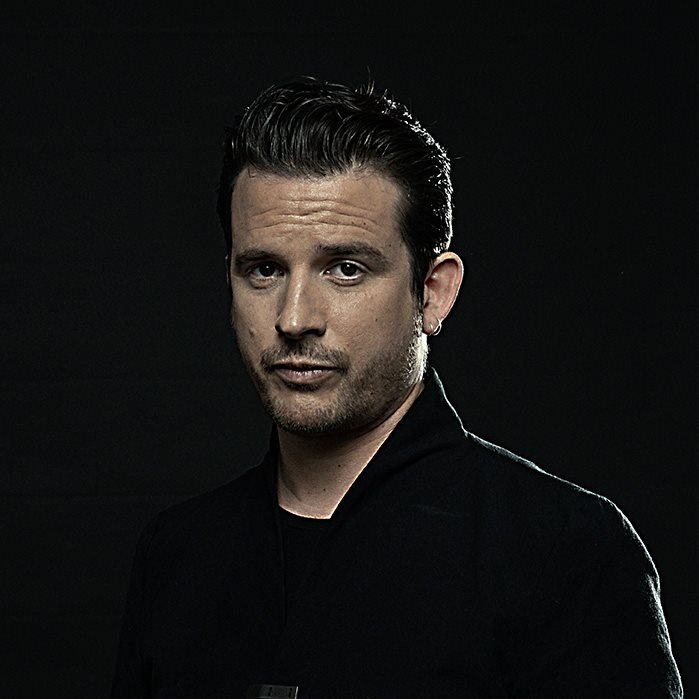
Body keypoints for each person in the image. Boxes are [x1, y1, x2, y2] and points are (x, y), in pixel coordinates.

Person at [110, 78, 683, 698]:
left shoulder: (565, 551)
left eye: (345, 269)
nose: (294, 318)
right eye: (265, 269)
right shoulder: (176, 554)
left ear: (432, 293)